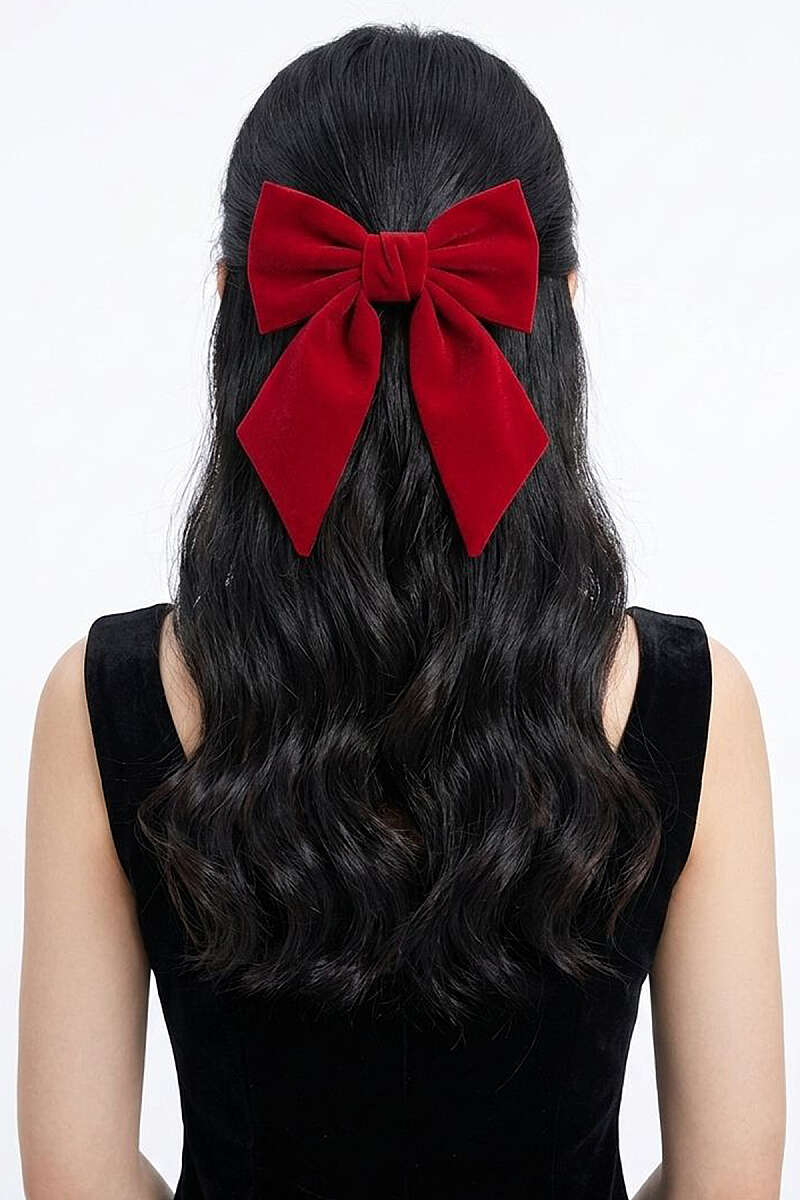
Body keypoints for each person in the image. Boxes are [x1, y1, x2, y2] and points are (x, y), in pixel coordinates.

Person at [17, 22, 785, 1200]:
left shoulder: (103, 697)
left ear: (232, 301)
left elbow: (73, 1175)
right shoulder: (692, 702)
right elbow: (729, 1178)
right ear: (559, 307)